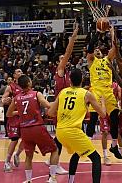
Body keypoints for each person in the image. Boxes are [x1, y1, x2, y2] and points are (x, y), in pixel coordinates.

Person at [48, 68, 106, 183]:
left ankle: (70, 180)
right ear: (82, 80)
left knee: (77, 153)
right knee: (96, 158)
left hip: (60, 132)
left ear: (70, 80)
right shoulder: (86, 94)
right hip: (73, 132)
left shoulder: (63, 92)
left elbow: (50, 113)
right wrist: (103, 102)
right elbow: (103, 114)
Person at [6, 75, 58, 183]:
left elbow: (8, 114)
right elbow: (48, 105)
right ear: (29, 83)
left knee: (29, 156)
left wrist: (19, 112)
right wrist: (58, 102)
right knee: (54, 150)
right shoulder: (36, 94)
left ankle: (28, 180)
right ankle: (52, 177)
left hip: (24, 130)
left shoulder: (16, 98)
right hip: (37, 128)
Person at [46, 25, 79, 174]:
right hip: (59, 108)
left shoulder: (67, 74)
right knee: (59, 136)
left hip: (66, 107)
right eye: (61, 59)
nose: (64, 59)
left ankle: (52, 159)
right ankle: (55, 162)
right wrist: (73, 37)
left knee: (59, 136)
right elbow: (67, 52)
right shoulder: (59, 71)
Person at [86, 26, 121, 159]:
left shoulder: (107, 60)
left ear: (101, 52)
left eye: (98, 50)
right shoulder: (91, 62)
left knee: (114, 117)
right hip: (96, 91)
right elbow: (89, 48)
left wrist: (112, 33)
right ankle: (87, 146)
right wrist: (98, 33)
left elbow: (115, 48)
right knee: (93, 118)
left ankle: (114, 146)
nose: (96, 51)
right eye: (95, 50)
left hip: (108, 92)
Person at [1, 69, 24, 172]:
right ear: (15, 75)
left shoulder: (26, 86)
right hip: (14, 117)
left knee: (27, 138)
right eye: (18, 71)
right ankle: (7, 162)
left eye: (21, 71)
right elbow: (2, 99)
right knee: (14, 140)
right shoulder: (11, 87)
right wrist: (4, 100)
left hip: (24, 116)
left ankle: (17, 154)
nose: (21, 72)